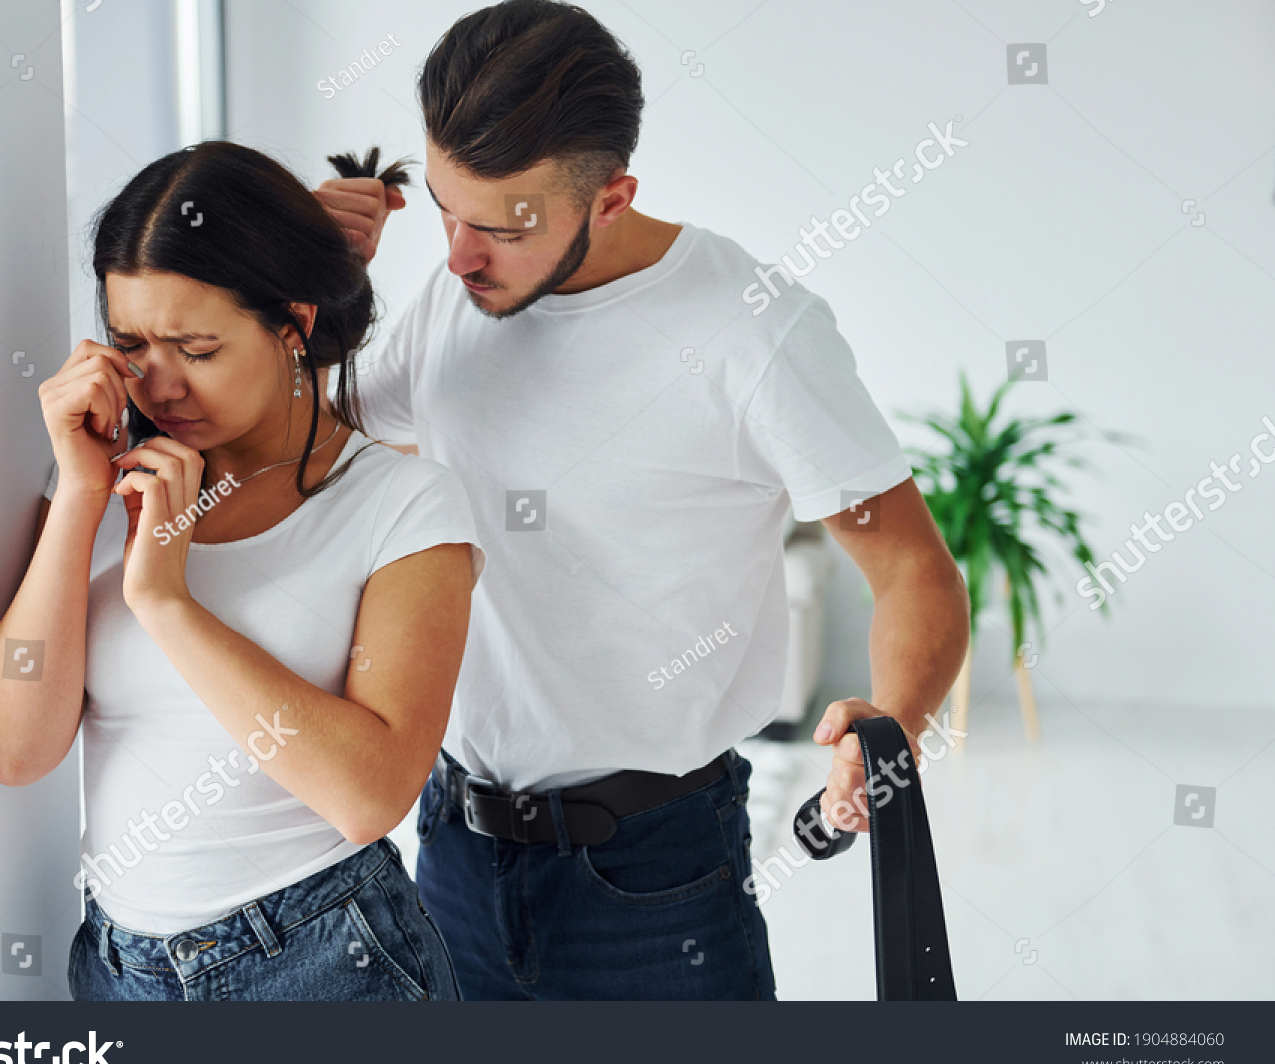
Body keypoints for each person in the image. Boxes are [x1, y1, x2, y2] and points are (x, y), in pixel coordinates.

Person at [314, 0, 970, 999]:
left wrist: (896, 722)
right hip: (452, 845)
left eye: (499, 227)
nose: (455, 255)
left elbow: (914, 568)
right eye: (446, 208)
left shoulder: (755, 333)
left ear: (613, 198)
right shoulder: (460, 292)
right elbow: (303, 457)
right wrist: (303, 286)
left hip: (654, 877)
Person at [0, 142, 483, 1001]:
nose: (158, 383)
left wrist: (165, 602)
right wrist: (81, 498)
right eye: (132, 343)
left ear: (294, 326)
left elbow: (370, 794)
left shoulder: (405, 506)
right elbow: (16, 751)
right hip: (118, 967)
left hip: (325, 965)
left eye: (196, 348)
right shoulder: (99, 483)